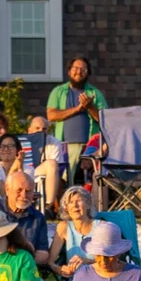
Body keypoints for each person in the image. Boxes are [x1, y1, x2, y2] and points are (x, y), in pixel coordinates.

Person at [45, 57, 107, 185]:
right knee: (65, 180)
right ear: (69, 71)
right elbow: (51, 115)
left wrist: (90, 107)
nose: (79, 72)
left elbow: (105, 120)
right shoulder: (58, 92)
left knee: (90, 182)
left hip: (90, 147)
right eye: (76, 68)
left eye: (83, 69)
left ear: (88, 73)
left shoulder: (95, 93)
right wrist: (77, 109)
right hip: (65, 146)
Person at [0, 170, 49, 255]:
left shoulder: (38, 218)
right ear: (7, 189)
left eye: (28, 191)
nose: (24, 195)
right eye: (19, 190)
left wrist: (23, 260)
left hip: (26, 262)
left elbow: (43, 252)